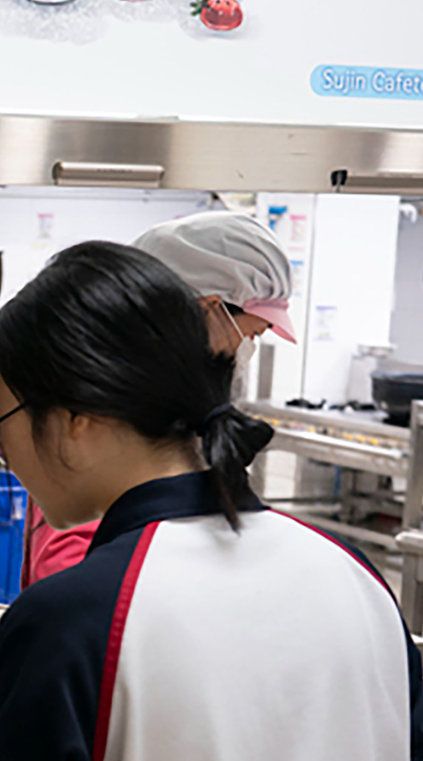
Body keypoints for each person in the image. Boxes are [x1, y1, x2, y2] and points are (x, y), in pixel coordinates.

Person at [0, 241, 423, 761]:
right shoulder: (354, 577)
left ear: (78, 416)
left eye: (3, 418)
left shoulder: (77, 618)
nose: (5, 451)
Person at [21, 210, 297, 588]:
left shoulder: (163, 406)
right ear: (208, 311)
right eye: (252, 333)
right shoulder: (110, 412)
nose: (245, 351)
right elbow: (70, 568)